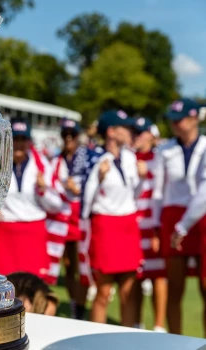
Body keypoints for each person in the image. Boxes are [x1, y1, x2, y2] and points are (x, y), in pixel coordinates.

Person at [81, 110, 147, 327]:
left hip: (128, 224)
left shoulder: (130, 157)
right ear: (111, 131)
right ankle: (98, 341)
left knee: (129, 290)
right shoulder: (93, 157)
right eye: (125, 128)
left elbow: (134, 194)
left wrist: (142, 179)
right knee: (104, 291)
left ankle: (126, 339)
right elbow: (85, 203)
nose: (130, 132)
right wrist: (98, 178)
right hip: (106, 225)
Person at [151, 98, 206, 335]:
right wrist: (156, 227)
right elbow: (157, 192)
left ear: (194, 119)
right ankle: (176, 343)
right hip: (172, 218)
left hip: (202, 218)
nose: (174, 124)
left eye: (180, 119)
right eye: (172, 120)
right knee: (175, 288)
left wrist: (183, 225)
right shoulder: (164, 150)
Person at [0, 118, 63, 280]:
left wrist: (43, 190)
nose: (19, 144)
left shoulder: (42, 166)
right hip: (4, 233)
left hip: (33, 233)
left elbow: (56, 205)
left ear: (29, 141)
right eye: (15, 139)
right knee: (3, 290)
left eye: (23, 139)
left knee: (33, 291)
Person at [130, 117, 167, 332]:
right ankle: (136, 324)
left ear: (151, 136)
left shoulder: (159, 158)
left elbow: (164, 191)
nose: (137, 136)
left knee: (158, 276)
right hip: (133, 225)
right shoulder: (128, 158)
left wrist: (149, 173)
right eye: (135, 132)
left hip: (153, 224)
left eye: (141, 132)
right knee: (135, 275)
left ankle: (159, 326)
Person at [52, 118, 89, 320]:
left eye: (72, 134)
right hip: (63, 216)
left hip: (80, 215)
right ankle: (75, 305)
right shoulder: (57, 159)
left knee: (80, 264)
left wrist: (78, 190)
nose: (68, 138)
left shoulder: (86, 157)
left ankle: (81, 306)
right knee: (68, 265)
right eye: (65, 135)